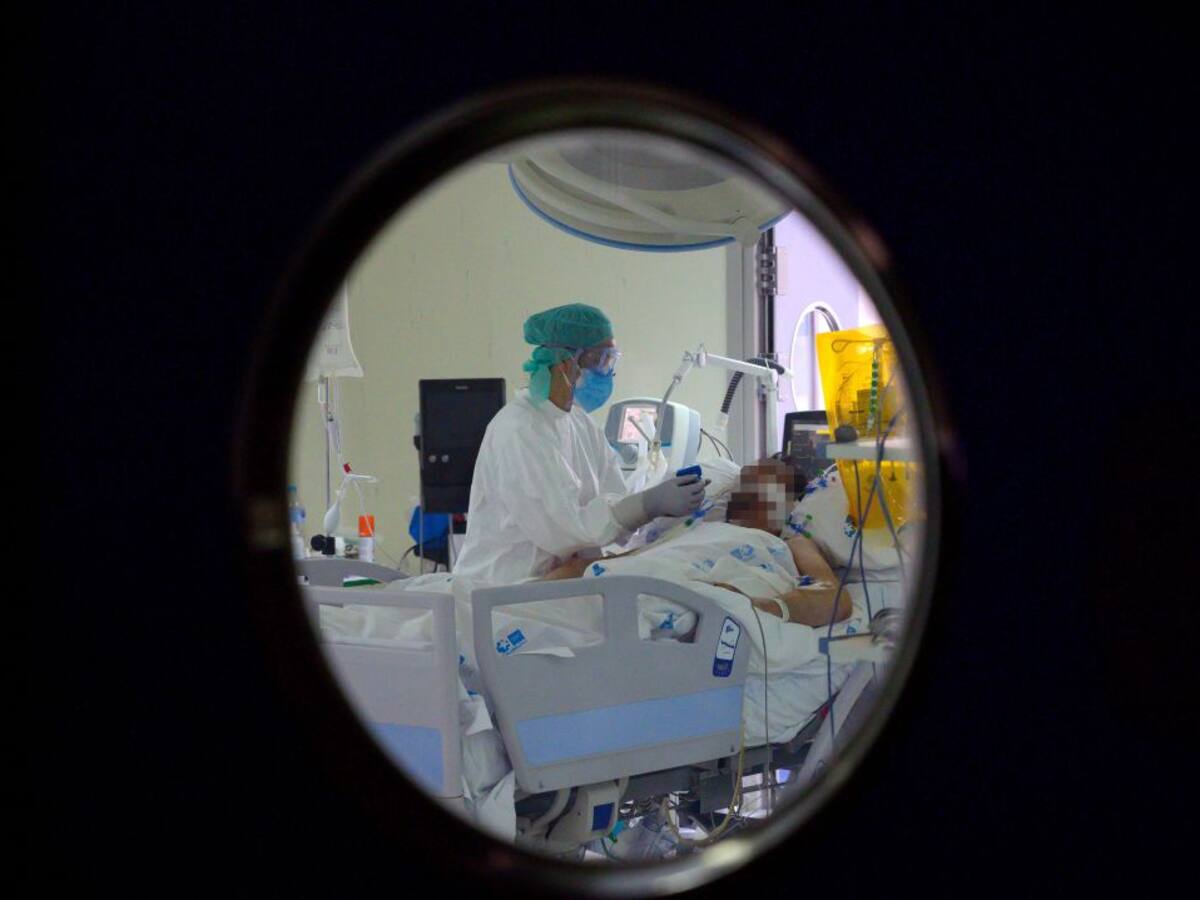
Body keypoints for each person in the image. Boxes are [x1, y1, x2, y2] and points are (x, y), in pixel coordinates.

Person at [454, 302, 706, 584]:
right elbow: (566, 530)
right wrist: (649, 504)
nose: (608, 372)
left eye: (612, 360)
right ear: (565, 362)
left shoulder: (580, 423)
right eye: (601, 359)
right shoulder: (519, 429)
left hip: (558, 583)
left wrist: (657, 506)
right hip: (505, 587)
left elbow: (614, 504)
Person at [539, 456, 851, 627]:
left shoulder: (792, 544)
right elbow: (615, 564)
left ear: (790, 504)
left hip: (678, 607)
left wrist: (757, 607)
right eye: (749, 476)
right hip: (614, 593)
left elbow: (834, 600)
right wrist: (537, 588)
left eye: (768, 480)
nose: (751, 481)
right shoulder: (691, 529)